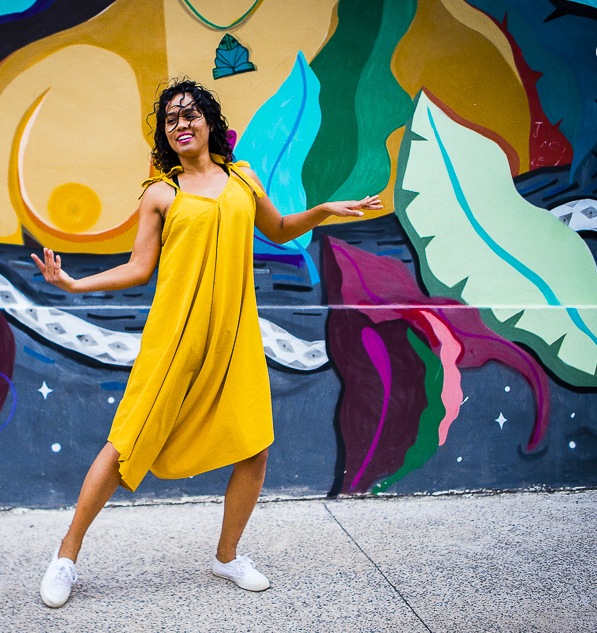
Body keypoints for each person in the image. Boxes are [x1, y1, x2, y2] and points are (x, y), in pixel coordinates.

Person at [31, 79, 382, 608]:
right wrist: (75, 284)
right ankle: (66, 556)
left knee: (254, 446)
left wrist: (324, 210)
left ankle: (227, 556)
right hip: (174, 338)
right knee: (124, 445)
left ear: (210, 122)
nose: (182, 125)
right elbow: (138, 267)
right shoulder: (160, 194)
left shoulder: (242, 179)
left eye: (190, 114)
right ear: (164, 134)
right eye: (171, 119)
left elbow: (279, 229)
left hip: (234, 336)